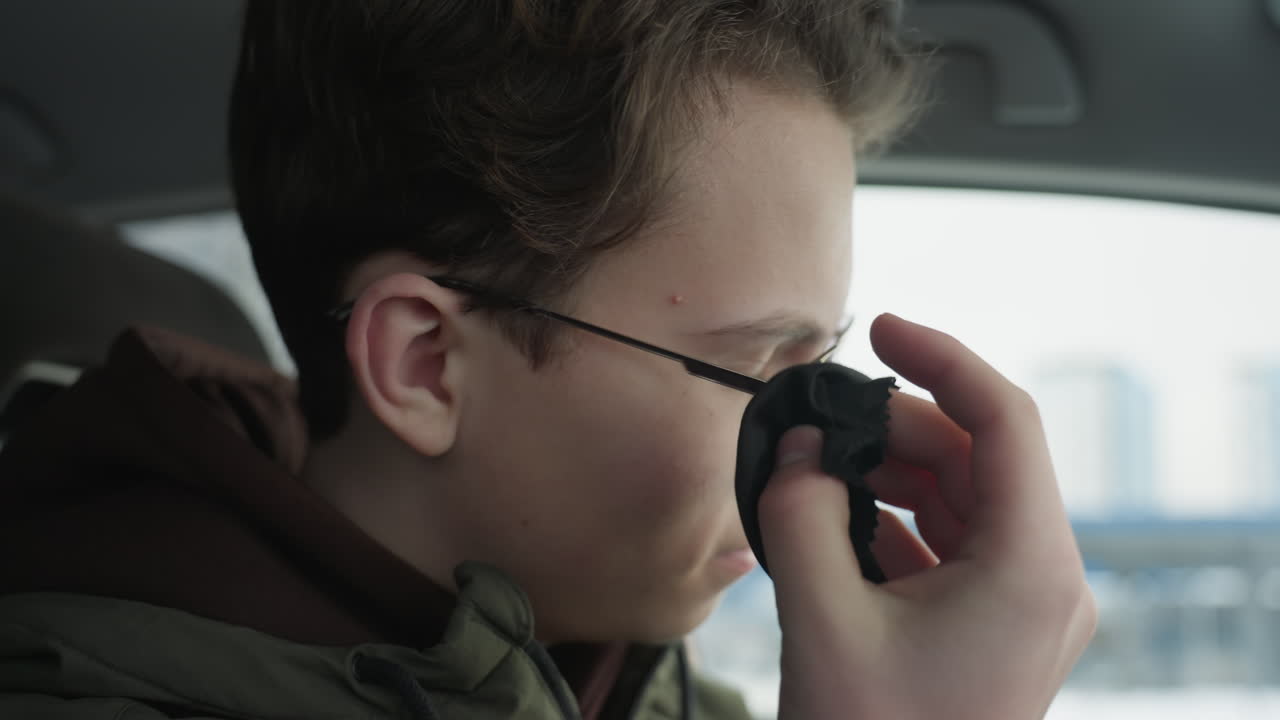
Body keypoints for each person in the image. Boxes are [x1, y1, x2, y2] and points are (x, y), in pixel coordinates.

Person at [0, 1, 1096, 718]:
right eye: (754, 372)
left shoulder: (662, 689)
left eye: (822, 368)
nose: (823, 451)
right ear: (426, 363)